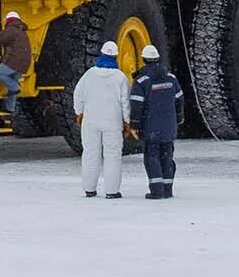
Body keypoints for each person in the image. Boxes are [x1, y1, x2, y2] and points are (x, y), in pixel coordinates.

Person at [73, 39, 131, 199]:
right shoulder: (120, 77)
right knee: (113, 156)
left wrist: (79, 112)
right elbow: (125, 102)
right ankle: (112, 191)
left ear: (102, 54)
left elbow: (77, 94)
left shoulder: (89, 74)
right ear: (116, 56)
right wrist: (127, 121)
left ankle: (89, 189)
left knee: (91, 154)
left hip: (90, 122)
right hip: (112, 123)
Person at [129, 43, 185, 199]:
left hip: (151, 128)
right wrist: (179, 117)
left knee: (152, 158)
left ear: (143, 60)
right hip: (168, 128)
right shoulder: (171, 78)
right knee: (167, 157)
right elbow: (179, 99)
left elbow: (136, 104)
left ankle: (157, 190)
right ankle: (167, 190)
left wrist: (134, 124)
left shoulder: (141, 81)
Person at [0, 12, 30, 114]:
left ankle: (15, 87)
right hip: (24, 62)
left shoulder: (12, 29)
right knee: (12, 89)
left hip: (15, 60)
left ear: (8, 20)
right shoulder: (21, 30)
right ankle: (10, 108)